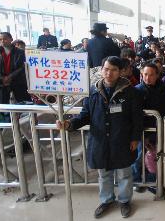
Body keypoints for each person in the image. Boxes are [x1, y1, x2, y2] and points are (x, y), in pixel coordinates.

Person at [56, 56, 143, 218]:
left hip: (122, 140)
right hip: (100, 140)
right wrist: (70, 124)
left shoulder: (131, 92)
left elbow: (137, 118)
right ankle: (107, 200)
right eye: (106, 69)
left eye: (114, 70)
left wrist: (134, 138)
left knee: (124, 173)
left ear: (120, 72)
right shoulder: (93, 91)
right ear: (101, 69)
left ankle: (124, 201)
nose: (109, 73)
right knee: (104, 173)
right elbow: (85, 116)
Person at [133, 62, 165, 192]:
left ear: (157, 75)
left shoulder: (162, 89)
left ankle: (151, 181)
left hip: (159, 130)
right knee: (139, 157)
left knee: (154, 157)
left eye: (151, 75)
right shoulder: (137, 90)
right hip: (143, 131)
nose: (147, 78)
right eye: (145, 74)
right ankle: (137, 181)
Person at [0, 32, 30, 104]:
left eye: (5, 39)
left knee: (24, 102)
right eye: (0, 39)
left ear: (11, 39)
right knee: (1, 104)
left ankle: (24, 115)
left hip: (17, 81)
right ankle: (5, 115)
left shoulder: (20, 52)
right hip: (0, 82)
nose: (2, 41)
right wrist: (1, 77)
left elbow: (23, 66)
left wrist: (10, 76)